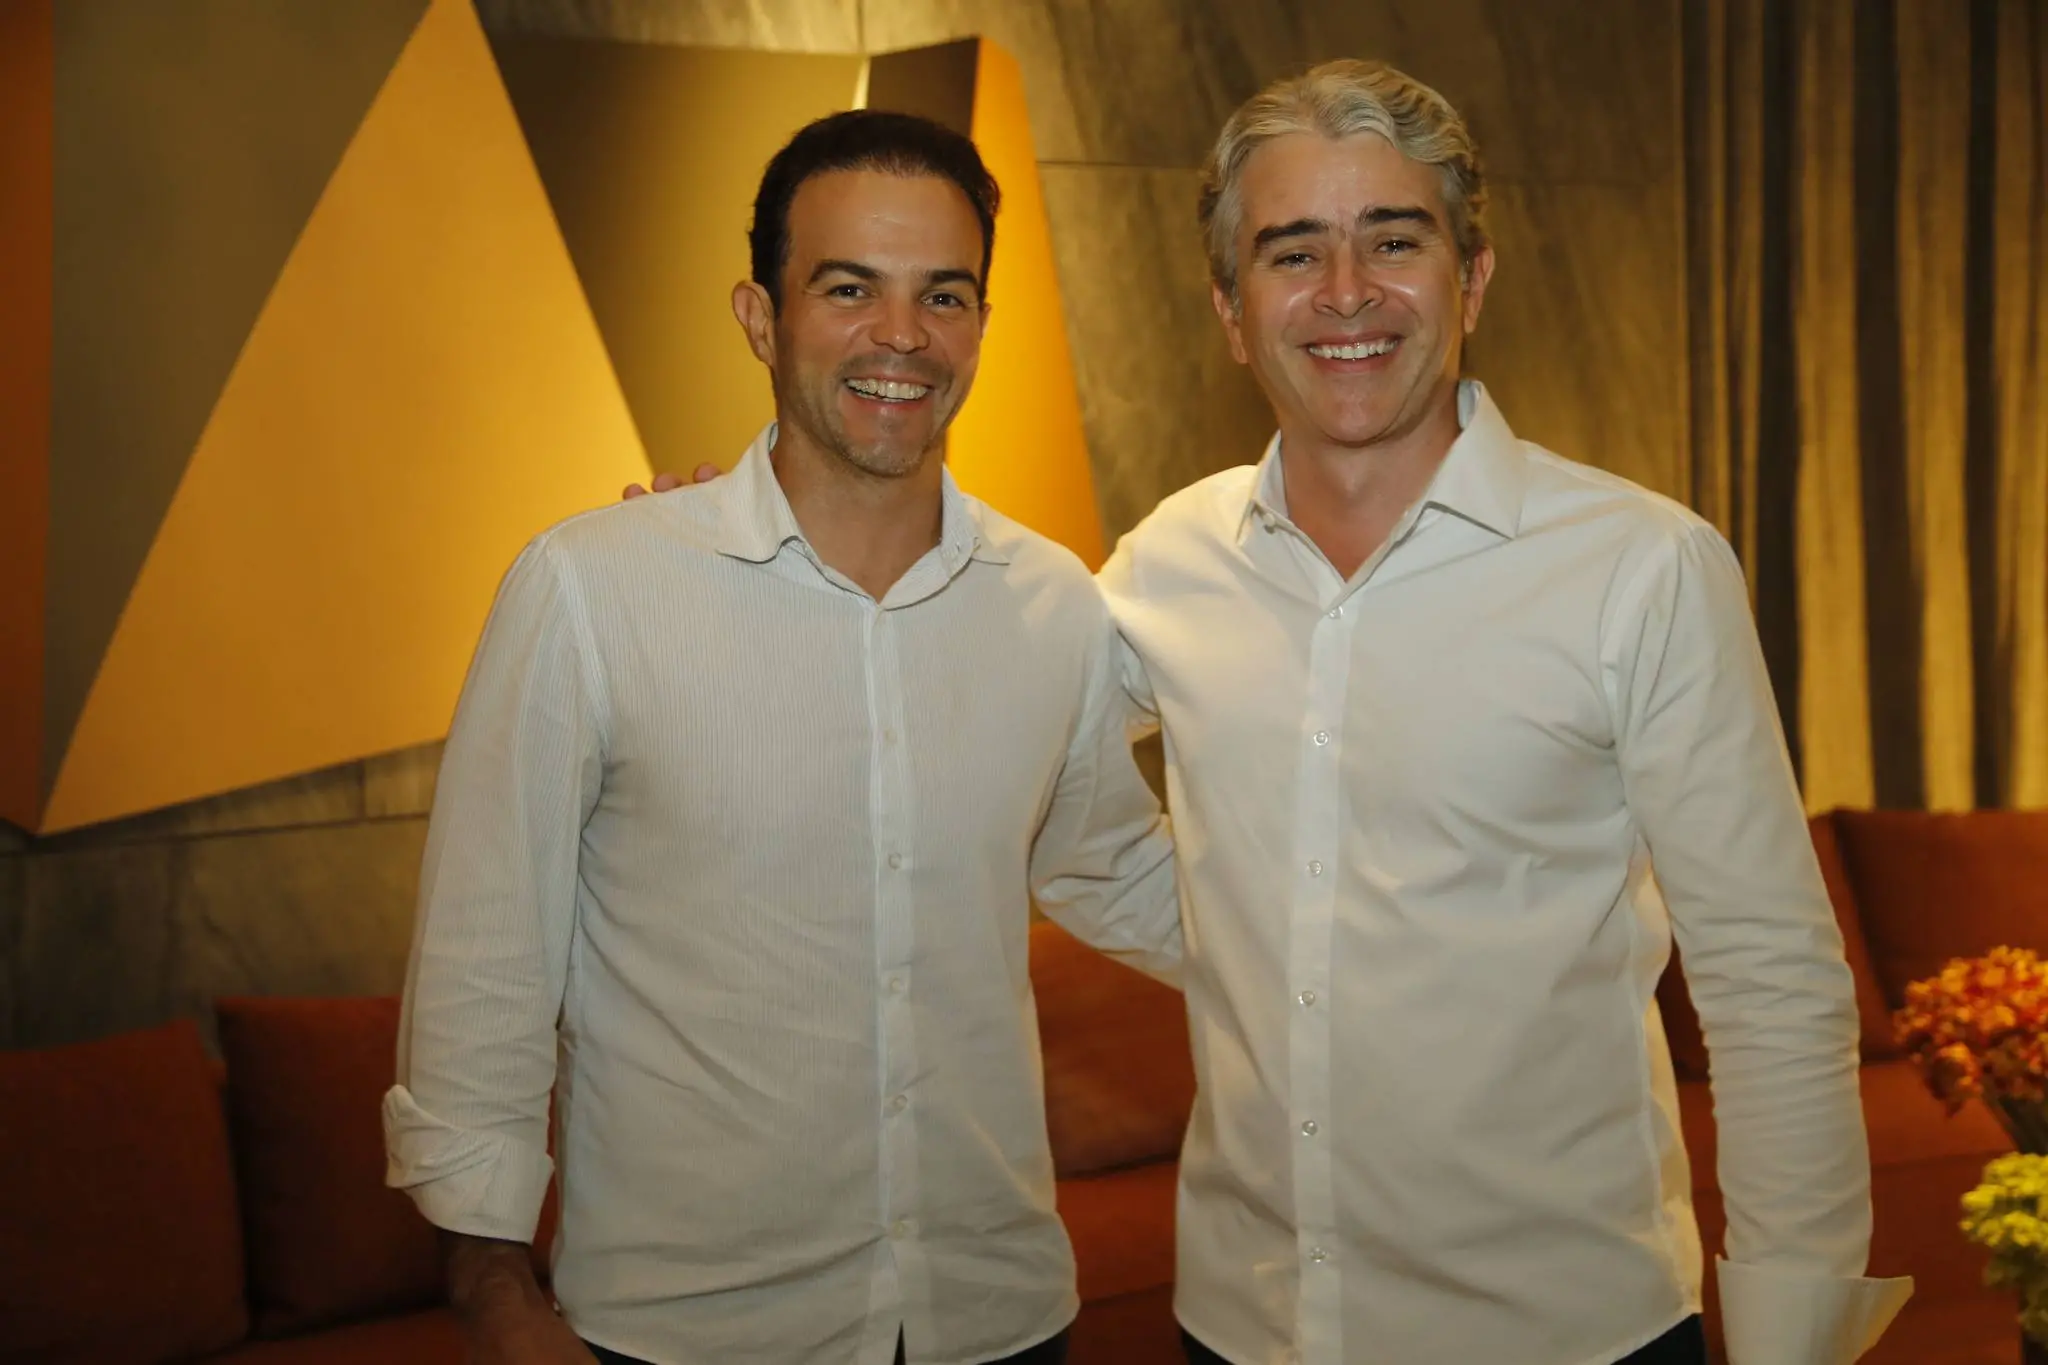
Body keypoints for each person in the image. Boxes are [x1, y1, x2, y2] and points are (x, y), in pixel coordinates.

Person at [1095, 60, 1913, 1365]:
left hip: (1568, 1333)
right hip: (1244, 1325)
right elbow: (1023, 771)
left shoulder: (1640, 568)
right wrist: (1245, 932)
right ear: (1231, 310)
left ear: (1471, 279)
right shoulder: (1164, 565)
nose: (1346, 291)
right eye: (1292, 252)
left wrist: (1787, 1340)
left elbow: (1769, 978)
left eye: (1394, 240)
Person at [384, 110, 1180, 1365]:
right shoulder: (592, 590)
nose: (901, 335)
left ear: (980, 324)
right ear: (761, 318)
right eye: (848, 288)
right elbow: (486, 961)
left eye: (943, 295)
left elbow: (1112, 865)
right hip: (689, 1332)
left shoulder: (1051, 604)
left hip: (995, 1316)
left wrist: (1407, 934)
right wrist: (490, 1287)